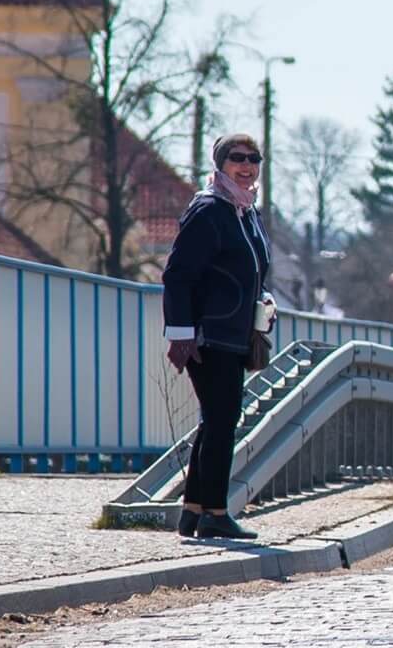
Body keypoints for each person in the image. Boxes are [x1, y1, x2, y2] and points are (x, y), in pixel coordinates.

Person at [161, 133, 273, 541]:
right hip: (209, 335)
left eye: (253, 159)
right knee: (223, 421)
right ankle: (215, 513)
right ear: (220, 164)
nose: (246, 166)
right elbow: (177, 274)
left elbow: (251, 269)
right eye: (236, 159)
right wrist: (182, 332)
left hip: (235, 332)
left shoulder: (245, 212)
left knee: (219, 420)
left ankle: (194, 510)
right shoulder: (210, 210)